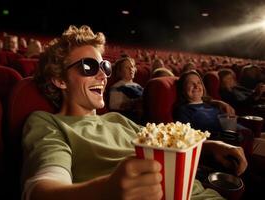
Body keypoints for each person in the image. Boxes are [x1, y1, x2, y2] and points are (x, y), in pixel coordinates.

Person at [22, 25, 247, 200]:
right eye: (89, 67)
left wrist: (208, 147)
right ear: (60, 79)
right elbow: (41, 191)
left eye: (105, 68)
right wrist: (105, 192)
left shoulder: (118, 119)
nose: (103, 76)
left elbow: (165, 148)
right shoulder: (48, 122)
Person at [108, 56, 143, 122]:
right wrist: (134, 102)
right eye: (127, 67)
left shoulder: (137, 85)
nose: (131, 69)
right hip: (130, 119)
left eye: (132, 66)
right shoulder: (117, 87)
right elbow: (114, 107)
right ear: (120, 71)